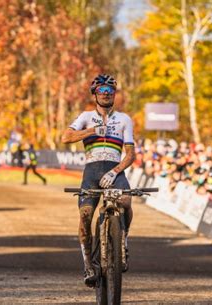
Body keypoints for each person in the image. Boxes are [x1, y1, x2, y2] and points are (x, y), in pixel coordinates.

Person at [61, 74, 135, 287]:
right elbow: (66, 137)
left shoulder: (124, 119)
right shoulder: (85, 116)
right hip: (92, 171)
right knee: (85, 216)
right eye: (102, 90)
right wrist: (93, 131)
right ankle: (87, 264)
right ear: (95, 94)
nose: (106, 94)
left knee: (126, 201)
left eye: (110, 91)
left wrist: (116, 171)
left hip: (115, 169)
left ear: (115, 95)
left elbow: (130, 154)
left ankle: (123, 241)